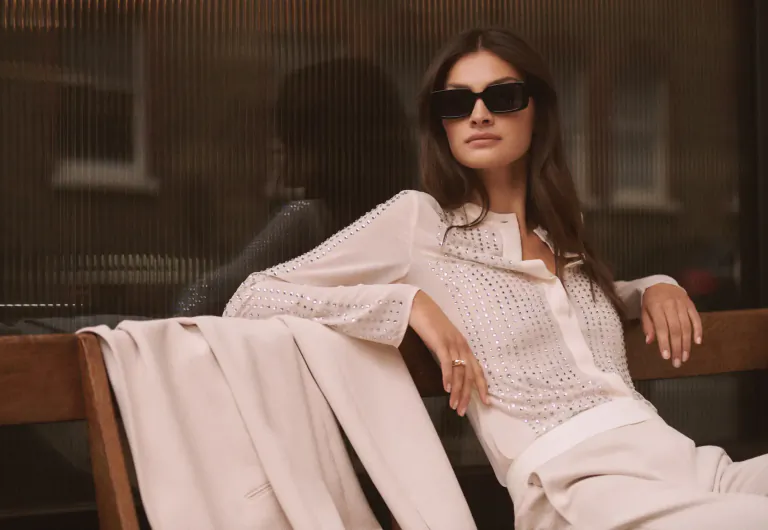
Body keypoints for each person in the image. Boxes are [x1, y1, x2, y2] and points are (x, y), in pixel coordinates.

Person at [223, 27, 768, 529]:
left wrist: (653, 286)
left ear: (538, 112)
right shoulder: (418, 222)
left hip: (685, 461)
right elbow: (252, 297)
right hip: (580, 486)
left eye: (502, 97)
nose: (479, 115)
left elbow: (565, 310)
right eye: (457, 103)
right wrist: (406, 303)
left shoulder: (562, 230)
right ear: (442, 124)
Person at [174, 57, 415, 316]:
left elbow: (205, 297)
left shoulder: (312, 222)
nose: (282, 170)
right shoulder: (312, 220)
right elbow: (207, 295)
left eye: (290, 146)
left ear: (330, 149)